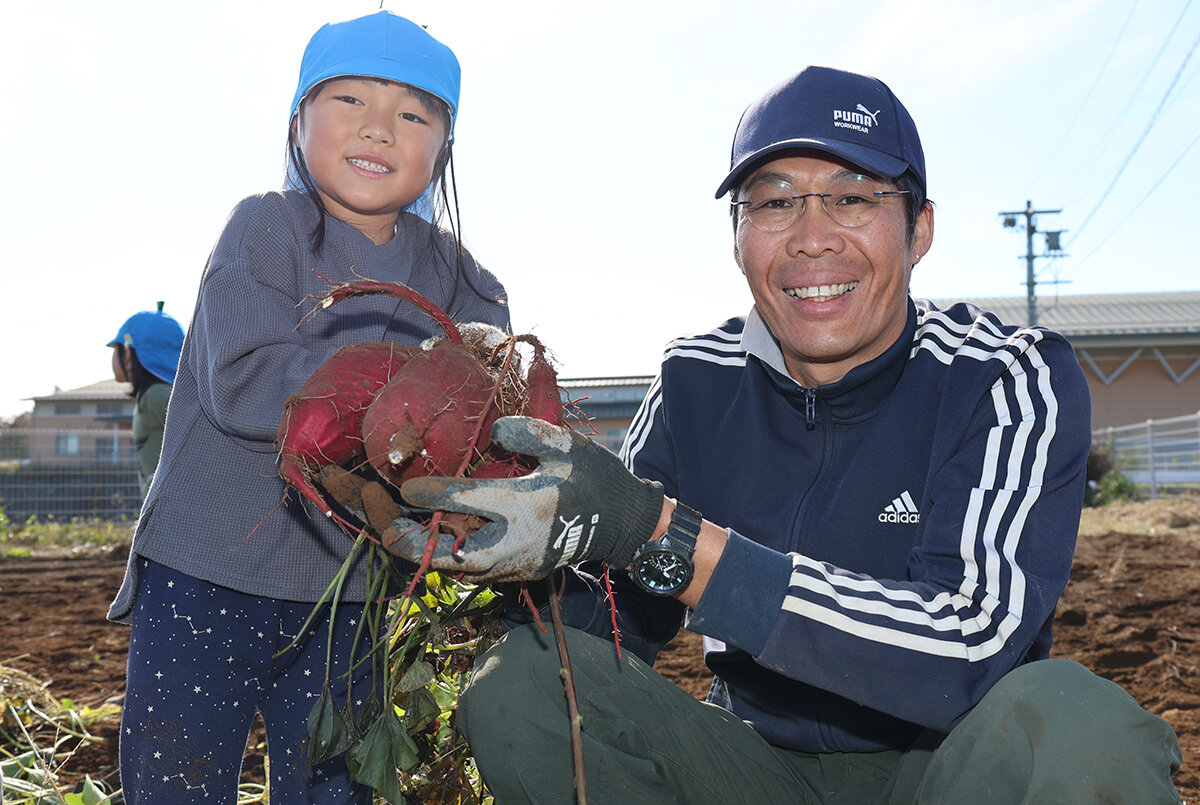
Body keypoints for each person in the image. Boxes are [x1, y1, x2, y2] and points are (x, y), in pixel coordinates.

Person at [382, 66, 1184, 803]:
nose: (811, 236)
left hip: (947, 768)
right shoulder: (697, 381)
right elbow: (613, 617)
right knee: (524, 678)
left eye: (853, 197)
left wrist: (663, 534)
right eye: (774, 201)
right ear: (738, 237)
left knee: (1078, 723)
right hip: (753, 766)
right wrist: (512, 551)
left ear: (921, 228)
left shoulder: (1003, 374)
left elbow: (969, 643)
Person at [106, 12, 509, 804]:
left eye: (413, 114)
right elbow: (248, 383)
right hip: (205, 575)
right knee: (176, 781)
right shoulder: (266, 228)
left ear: (444, 147)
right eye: (350, 100)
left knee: (339, 790)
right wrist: (403, 385)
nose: (379, 129)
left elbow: (473, 416)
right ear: (298, 120)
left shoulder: (466, 283)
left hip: (351, 601)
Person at [107, 303, 185, 497]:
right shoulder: (158, 394)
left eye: (116, 348)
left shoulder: (156, 396)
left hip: (169, 513)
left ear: (127, 353)